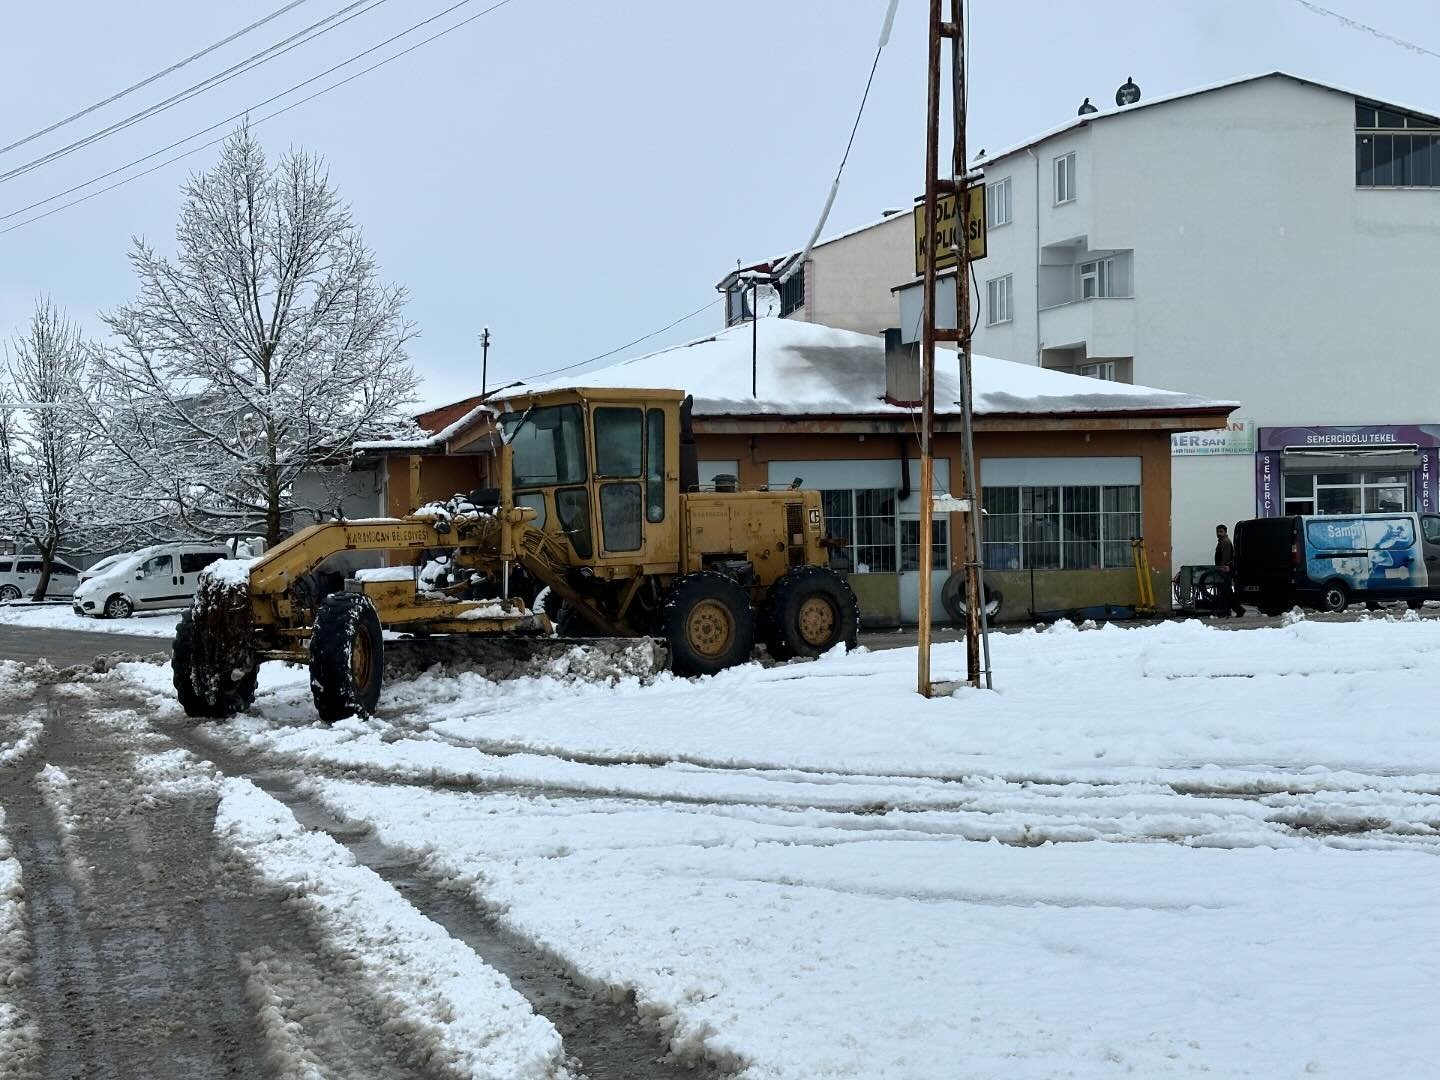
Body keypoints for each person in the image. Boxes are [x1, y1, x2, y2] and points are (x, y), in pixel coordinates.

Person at [1213, 523, 1245, 617]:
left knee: (1226, 592)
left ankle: (1236, 610)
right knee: (1226, 592)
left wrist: (1223, 567)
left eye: (1221, 532)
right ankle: (1230, 610)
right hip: (1224, 569)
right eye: (1218, 532)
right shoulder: (1222, 541)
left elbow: (1225, 557)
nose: (1219, 533)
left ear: (1225, 532)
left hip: (1225, 570)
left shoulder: (1225, 542)